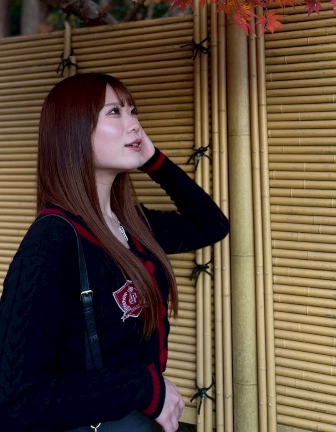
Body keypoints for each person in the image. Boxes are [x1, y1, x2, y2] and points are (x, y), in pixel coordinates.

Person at [0, 73, 229, 432]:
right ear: (74, 131)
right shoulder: (51, 242)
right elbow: (15, 401)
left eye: (133, 112)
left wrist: (153, 159)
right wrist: (143, 387)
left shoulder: (131, 224)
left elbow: (211, 225)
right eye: (114, 112)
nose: (134, 124)